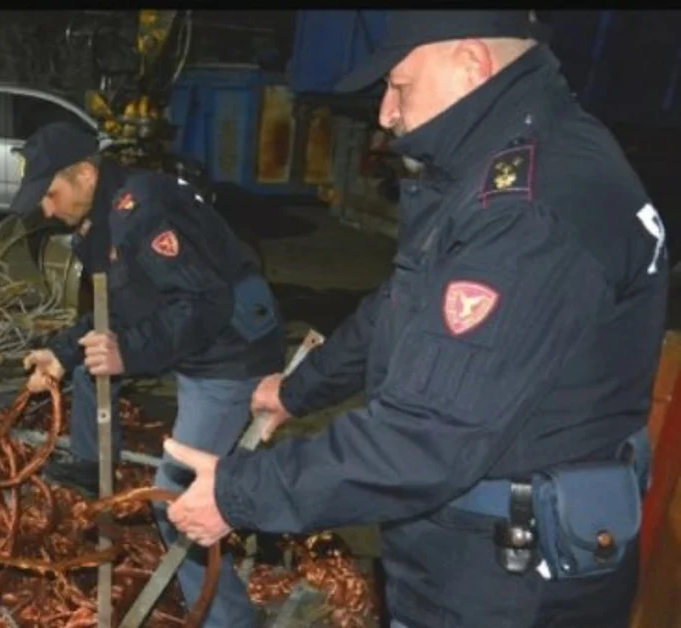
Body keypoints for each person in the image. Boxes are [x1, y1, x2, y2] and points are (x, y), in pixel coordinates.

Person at [162, 10, 666, 628]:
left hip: (508, 587)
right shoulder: (502, 167)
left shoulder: (531, 208)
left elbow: (427, 438)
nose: (386, 115)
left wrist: (240, 494)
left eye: (399, 87)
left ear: (470, 63)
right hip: (475, 552)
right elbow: (401, 309)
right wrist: (297, 390)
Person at [12, 121, 286, 626]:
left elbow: (205, 302)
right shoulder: (105, 218)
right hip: (201, 351)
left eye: (50, 194)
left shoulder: (144, 213)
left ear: (85, 174)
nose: (46, 211)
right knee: (198, 487)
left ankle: (228, 620)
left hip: (229, 357)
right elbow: (114, 306)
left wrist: (129, 353)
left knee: (176, 501)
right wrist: (61, 354)